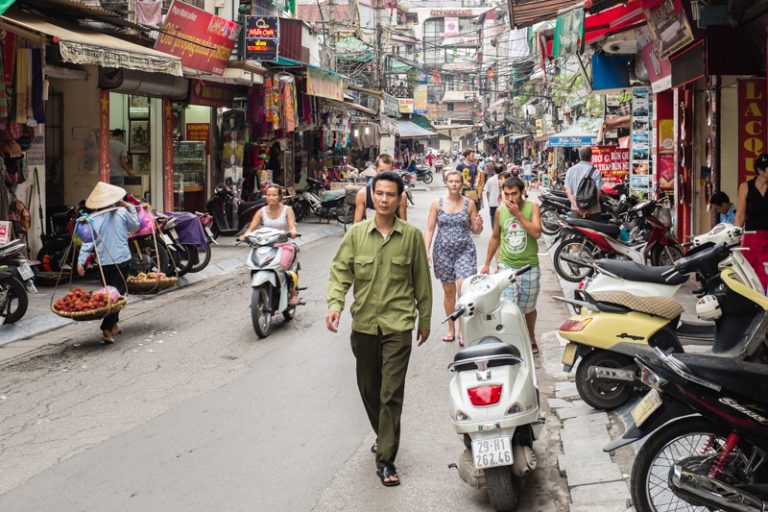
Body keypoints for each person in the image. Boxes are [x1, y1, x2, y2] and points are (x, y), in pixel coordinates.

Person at [326, 171, 432, 488]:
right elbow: (340, 271)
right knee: (369, 389)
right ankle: (383, 433)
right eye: (379, 194)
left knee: (390, 394)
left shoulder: (411, 236)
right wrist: (335, 305)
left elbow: (422, 281)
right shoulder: (356, 235)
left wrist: (424, 319)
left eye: (390, 194)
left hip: (398, 325)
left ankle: (386, 459)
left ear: (399, 198)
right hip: (365, 325)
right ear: (372, 197)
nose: (384, 199)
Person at [481, 176, 542, 354]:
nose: (510, 198)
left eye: (513, 194)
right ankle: (512, 341)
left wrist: (518, 215)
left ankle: (530, 337)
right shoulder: (500, 211)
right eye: (506, 194)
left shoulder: (533, 207)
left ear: (522, 192)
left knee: (528, 309)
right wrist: (487, 264)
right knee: (509, 307)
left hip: (529, 267)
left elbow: (537, 233)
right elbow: (495, 237)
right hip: (506, 266)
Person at [424, 170, 483, 346]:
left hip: (464, 251)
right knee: (449, 292)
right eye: (451, 181)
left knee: (463, 290)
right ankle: (451, 328)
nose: (454, 184)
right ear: (446, 183)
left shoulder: (469, 204)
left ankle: (462, 330)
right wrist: (425, 251)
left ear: (462, 183)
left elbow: (476, 230)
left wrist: (479, 225)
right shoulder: (437, 204)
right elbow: (429, 229)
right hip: (442, 252)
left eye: (457, 181)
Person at [77, 181, 140, 343]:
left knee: (114, 294)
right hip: (122, 260)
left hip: (104, 262)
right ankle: (106, 327)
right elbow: (135, 227)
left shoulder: (94, 219)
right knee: (116, 295)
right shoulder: (122, 212)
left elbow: (87, 242)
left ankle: (114, 325)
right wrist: (131, 208)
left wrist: (81, 261)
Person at [240, 184, 299, 304]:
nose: (271, 197)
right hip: (266, 245)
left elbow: (292, 226)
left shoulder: (287, 210)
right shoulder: (261, 211)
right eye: (268, 195)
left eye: (274, 195)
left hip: (284, 245)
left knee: (282, 267)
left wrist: (292, 231)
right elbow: (251, 228)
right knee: (256, 264)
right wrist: (245, 236)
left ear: (280, 196)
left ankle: (293, 292)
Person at [735, 153, 768, 289]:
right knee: (750, 273)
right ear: (760, 171)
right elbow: (741, 215)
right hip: (751, 238)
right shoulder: (745, 187)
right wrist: (735, 237)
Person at [354, 154, 407, 223]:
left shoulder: (401, 196)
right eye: (381, 171)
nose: (384, 175)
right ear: (376, 169)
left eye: (388, 172)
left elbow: (404, 225)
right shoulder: (363, 194)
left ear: (392, 170)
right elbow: (357, 223)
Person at [565, 146, 602, 221]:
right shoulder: (596, 172)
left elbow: (568, 192)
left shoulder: (570, 171)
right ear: (591, 156)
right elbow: (598, 193)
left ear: (579, 156)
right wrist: (588, 210)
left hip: (576, 212)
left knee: (577, 233)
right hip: (593, 212)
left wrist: (578, 209)